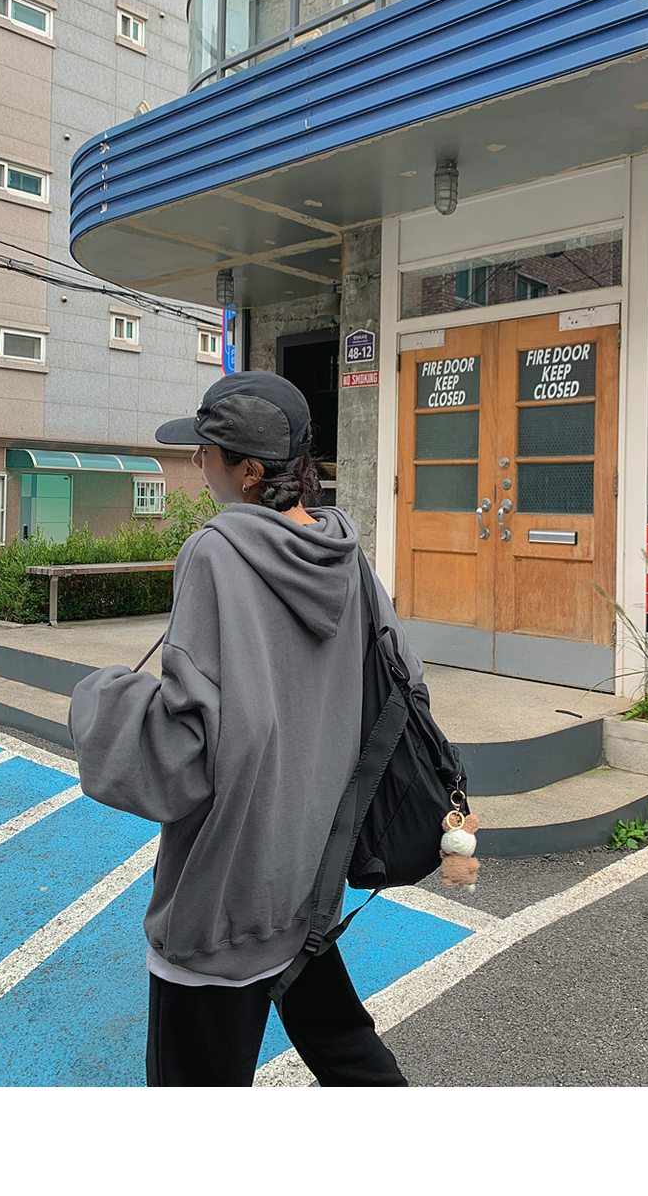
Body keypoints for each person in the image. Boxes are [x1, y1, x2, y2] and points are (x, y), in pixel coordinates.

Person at [67, 371, 417, 1087]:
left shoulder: (217, 553)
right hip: (309, 873)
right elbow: (395, 687)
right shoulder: (343, 552)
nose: (198, 462)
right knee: (348, 1052)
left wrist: (99, 701)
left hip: (226, 889)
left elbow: (186, 749)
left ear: (249, 471)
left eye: (206, 450)